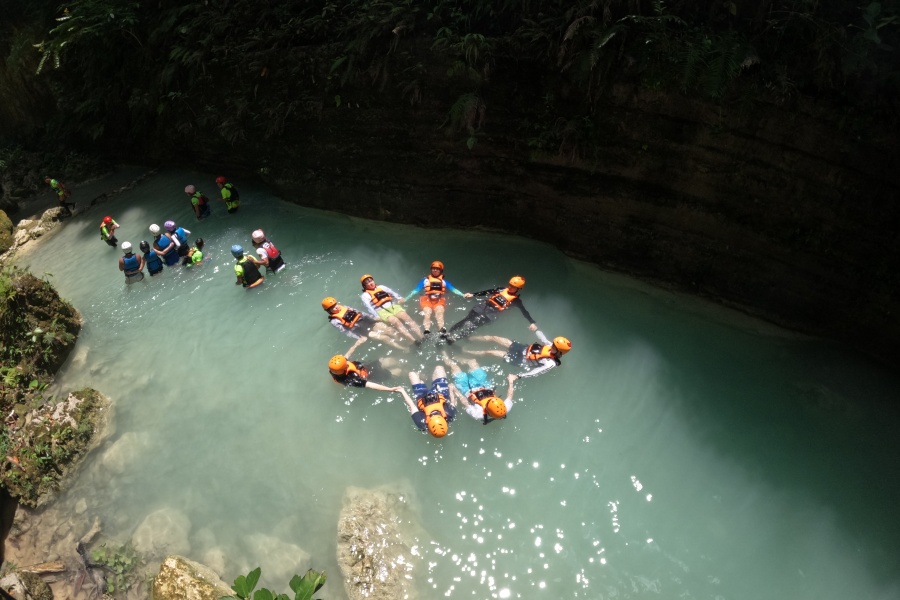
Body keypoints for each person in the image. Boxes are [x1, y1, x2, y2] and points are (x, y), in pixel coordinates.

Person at [445, 276, 538, 343]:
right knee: (466, 320)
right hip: (483, 306)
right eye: (509, 285)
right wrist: (473, 294)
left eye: (513, 287)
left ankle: (454, 339)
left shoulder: (516, 300)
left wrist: (532, 322)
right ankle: (449, 333)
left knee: (473, 327)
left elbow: (524, 311)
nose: (510, 287)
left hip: (491, 314)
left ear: (518, 289)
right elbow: (487, 292)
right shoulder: (501, 289)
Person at [442, 353, 516, 424]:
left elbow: (465, 403)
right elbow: (510, 396)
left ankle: (443, 353)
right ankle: (456, 356)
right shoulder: (505, 408)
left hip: (467, 389)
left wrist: (454, 389)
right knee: (472, 361)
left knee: (454, 367)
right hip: (483, 384)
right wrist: (511, 381)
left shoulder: (478, 414)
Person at [403, 260, 468, 337]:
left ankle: (441, 329)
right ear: (431, 269)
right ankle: (427, 331)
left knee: (439, 312)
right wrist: (406, 298)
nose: (435, 270)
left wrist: (463, 295)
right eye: (433, 268)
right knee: (427, 313)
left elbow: (453, 289)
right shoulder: (425, 280)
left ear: (441, 270)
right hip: (426, 299)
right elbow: (415, 290)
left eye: (437, 269)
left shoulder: (444, 282)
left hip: (439, 300)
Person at [464, 332, 571, 378]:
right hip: (523, 348)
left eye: (554, 346)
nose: (551, 345)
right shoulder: (550, 346)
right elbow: (543, 338)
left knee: (490, 352)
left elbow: (536, 372)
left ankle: (466, 352)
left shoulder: (550, 363)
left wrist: (519, 376)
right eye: (553, 344)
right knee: (494, 338)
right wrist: (536, 330)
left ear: (559, 352)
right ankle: (468, 338)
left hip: (520, 360)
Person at [322, 297, 408, 353]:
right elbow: (346, 331)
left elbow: (360, 313)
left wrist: (374, 318)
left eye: (335, 304)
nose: (336, 307)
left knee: (390, 330)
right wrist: (359, 337)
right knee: (385, 337)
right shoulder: (334, 321)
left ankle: (404, 341)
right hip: (361, 330)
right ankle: (403, 348)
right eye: (333, 307)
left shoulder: (344, 307)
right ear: (329, 311)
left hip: (367, 321)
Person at [360, 274, 424, 345]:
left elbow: (392, 292)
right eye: (367, 283)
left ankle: (422, 336)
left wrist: (399, 298)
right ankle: (414, 341)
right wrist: (376, 316)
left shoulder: (381, 287)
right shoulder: (365, 295)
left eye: (370, 280)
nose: (370, 283)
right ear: (364, 286)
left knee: (406, 317)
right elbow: (369, 307)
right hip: (381, 311)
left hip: (392, 306)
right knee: (396, 321)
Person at [395, 366, 457, 437]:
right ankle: (424, 378)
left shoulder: (421, 423)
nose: (434, 414)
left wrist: (402, 391)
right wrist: (451, 389)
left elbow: (411, 405)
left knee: (412, 374)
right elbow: (453, 401)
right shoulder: (450, 414)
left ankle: (422, 382)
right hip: (440, 393)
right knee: (439, 368)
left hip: (422, 397)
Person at [328, 354, 403, 392]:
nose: (347, 362)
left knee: (386, 360)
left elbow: (345, 357)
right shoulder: (352, 380)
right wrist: (389, 389)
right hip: (372, 376)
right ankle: (405, 369)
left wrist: (357, 344)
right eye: (346, 364)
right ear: (344, 368)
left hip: (367, 367)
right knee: (397, 371)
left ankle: (401, 363)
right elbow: (370, 385)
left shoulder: (335, 369)